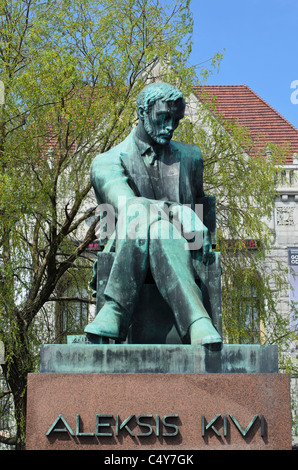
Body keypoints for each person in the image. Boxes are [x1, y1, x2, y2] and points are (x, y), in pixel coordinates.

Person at [84, 82, 222, 346]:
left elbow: (203, 209)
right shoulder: (106, 162)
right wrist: (177, 210)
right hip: (126, 242)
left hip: (184, 246)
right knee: (141, 215)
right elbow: (126, 207)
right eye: (163, 117)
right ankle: (197, 320)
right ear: (142, 112)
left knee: (159, 230)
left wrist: (186, 217)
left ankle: (115, 310)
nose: (170, 127)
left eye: (176, 120)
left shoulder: (191, 158)